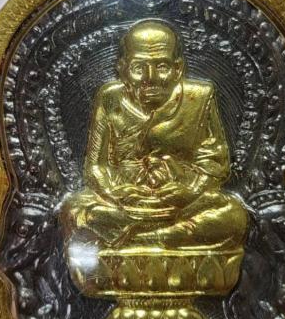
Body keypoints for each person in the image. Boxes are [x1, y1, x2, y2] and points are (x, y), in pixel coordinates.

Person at [61, 20, 248, 252]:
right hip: (124, 206)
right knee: (74, 212)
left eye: (162, 67)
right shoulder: (110, 98)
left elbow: (216, 164)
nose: (151, 78)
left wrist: (190, 191)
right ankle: (162, 237)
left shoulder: (199, 97)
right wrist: (116, 194)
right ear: (123, 69)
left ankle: (143, 239)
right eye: (139, 68)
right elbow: (95, 167)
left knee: (233, 216)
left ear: (178, 69)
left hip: (181, 205)